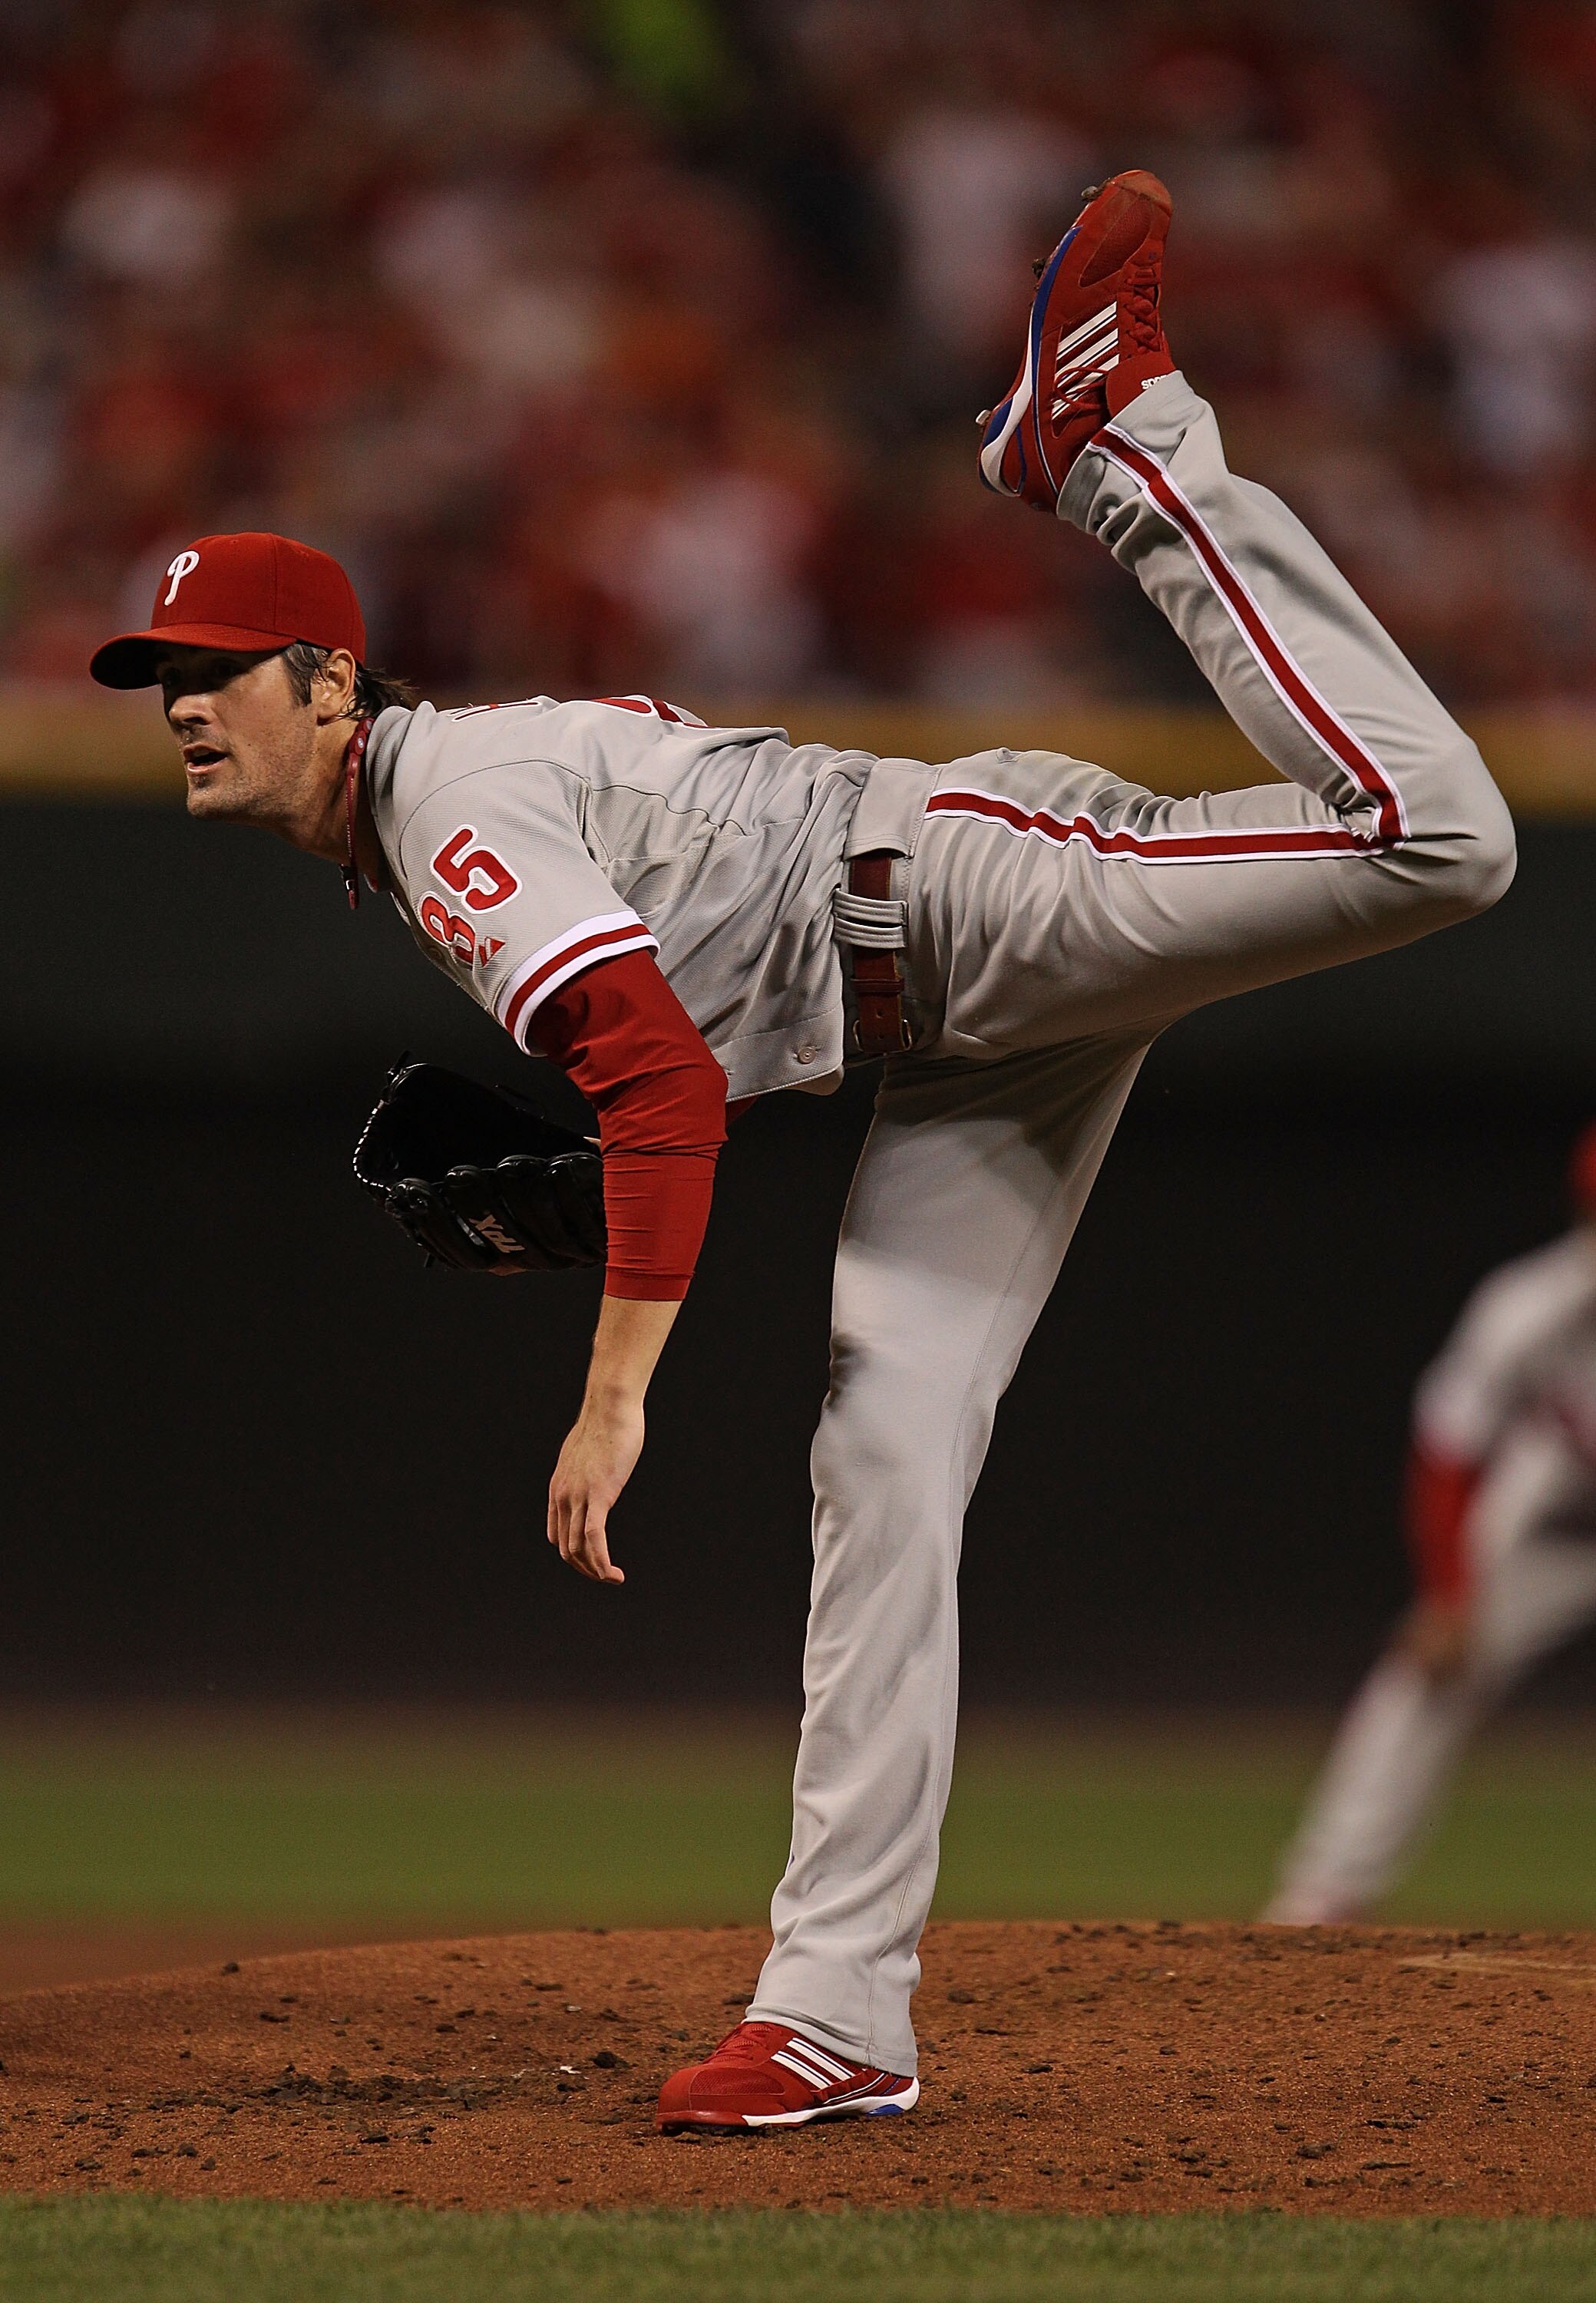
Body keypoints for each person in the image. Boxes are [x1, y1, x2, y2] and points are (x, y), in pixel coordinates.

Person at [89, 173, 1515, 2130]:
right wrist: (603, 1179)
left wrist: (613, 1393)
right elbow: (687, 1059)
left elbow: (662, 1080)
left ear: (333, 683)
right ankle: (837, 2009)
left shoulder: (442, 811)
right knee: (885, 1451)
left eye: (221, 668)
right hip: (929, 1018)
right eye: (164, 678)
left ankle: (1121, 448)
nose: (182, 705)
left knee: (1439, 838)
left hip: (964, 897)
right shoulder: (421, 833)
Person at [1264, 1129, 1596, 1927]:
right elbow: (1449, 1445)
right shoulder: (1532, 1305)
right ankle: (1320, 1899)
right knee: (1424, 1673)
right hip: (1554, 1511)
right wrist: (1449, 1594)